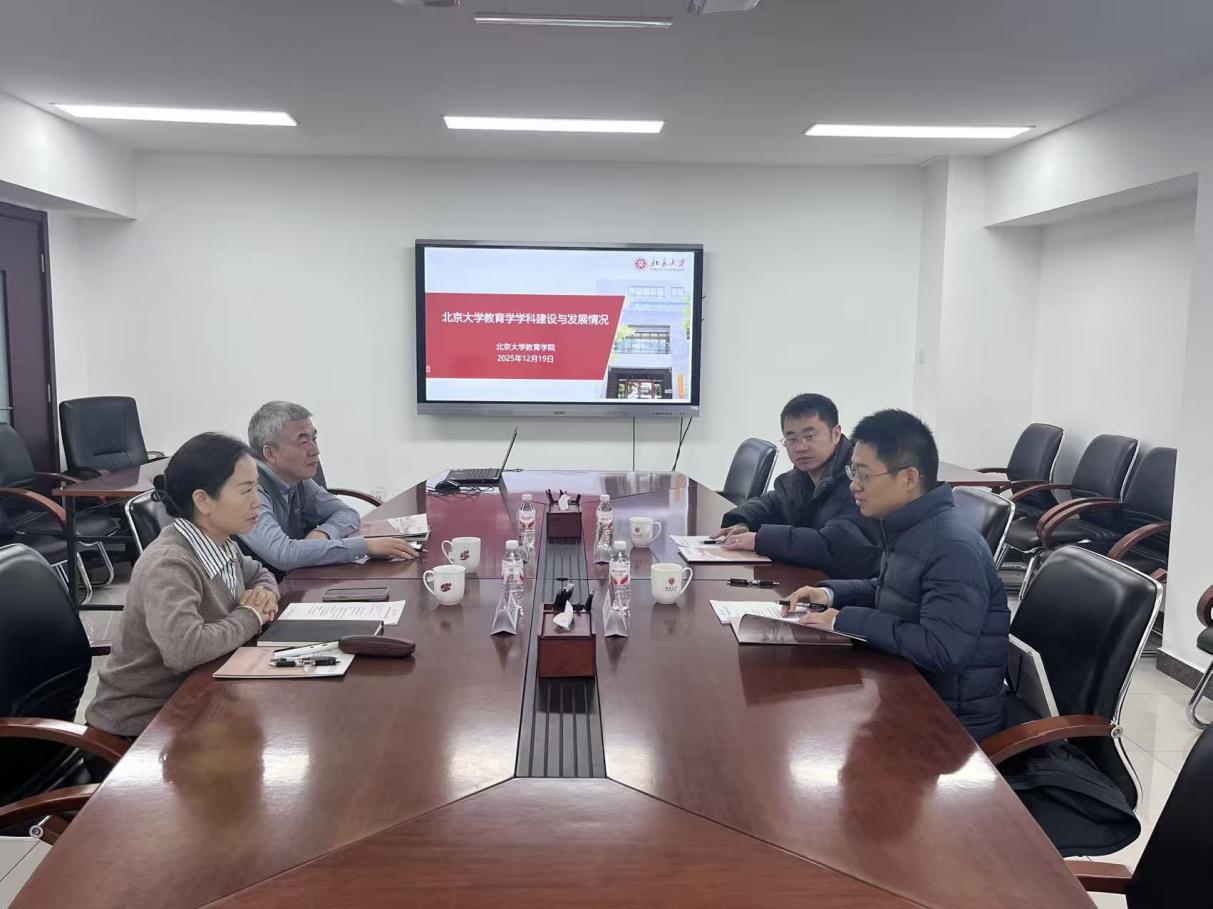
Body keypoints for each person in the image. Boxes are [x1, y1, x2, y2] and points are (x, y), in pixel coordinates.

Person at [785, 409, 1009, 742]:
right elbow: (894, 588)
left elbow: (941, 648)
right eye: (852, 472)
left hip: (949, 723)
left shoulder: (952, 548)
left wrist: (843, 620)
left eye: (863, 475)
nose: (854, 486)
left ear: (908, 478)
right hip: (908, 687)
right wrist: (829, 594)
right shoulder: (910, 524)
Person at [87, 433, 280, 737]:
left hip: (199, 698)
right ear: (203, 500)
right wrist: (251, 616)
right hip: (142, 726)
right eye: (246, 490)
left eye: (257, 487)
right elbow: (185, 650)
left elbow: (260, 574)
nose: (257, 501)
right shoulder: (170, 564)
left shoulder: (220, 542)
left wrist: (264, 594)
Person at [713, 393, 879, 578]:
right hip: (812, 579)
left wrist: (761, 539)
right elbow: (774, 502)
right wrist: (743, 521)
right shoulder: (802, 476)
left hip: (850, 587)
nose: (800, 447)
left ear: (835, 434)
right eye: (791, 439)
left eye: (809, 436)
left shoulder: (858, 480)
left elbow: (838, 546)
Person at [241, 401, 416, 571]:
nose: (315, 450)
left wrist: (323, 533)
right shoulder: (249, 489)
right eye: (303, 442)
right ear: (270, 453)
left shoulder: (298, 479)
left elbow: (347, 513)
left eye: (314, 439)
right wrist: (365, 546)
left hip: (301, 576)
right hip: (265, 587)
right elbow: (283, 554)